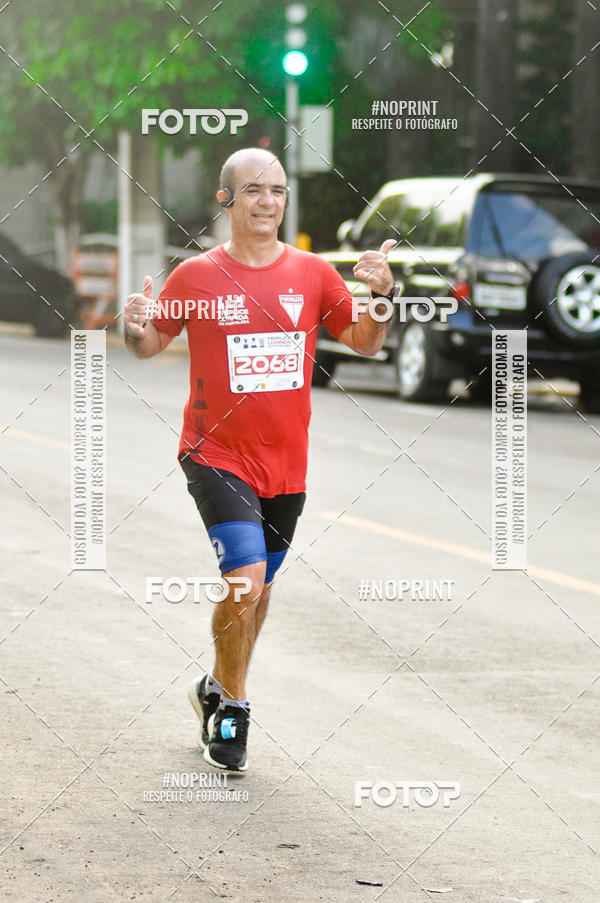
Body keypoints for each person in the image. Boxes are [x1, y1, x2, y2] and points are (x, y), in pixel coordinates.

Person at [123, 147, 395, 772]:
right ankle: (233, 713)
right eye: (252, 191)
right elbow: (148, 345)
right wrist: (132, 324)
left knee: (259, 592)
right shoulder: (195, 276)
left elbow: (365, 341)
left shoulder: (313, 274)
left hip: (285, 464)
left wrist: (381, 296)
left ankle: (215, 687)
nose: (267, 201)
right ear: (227, 201)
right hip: (213, 452)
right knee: (244, 581)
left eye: (276, 190)